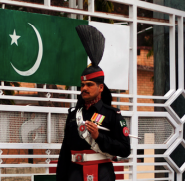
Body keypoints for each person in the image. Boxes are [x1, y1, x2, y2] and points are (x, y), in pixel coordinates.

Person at [56, 25, 131, 181]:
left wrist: (99, 136)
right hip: (74, 175)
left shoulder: (112, 114)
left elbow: (125, 149)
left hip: (103, 175)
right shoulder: (73, 115)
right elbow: (65, 152)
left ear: (100, 87)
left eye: (89, 85)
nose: (84, 88)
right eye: (82, 85)